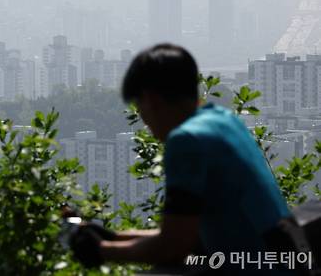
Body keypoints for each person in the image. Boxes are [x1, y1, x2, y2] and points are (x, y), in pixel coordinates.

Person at [69, 44, 305, 275]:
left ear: (150, 100)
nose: (144, 120)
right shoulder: (224, 121)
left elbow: (174, 246)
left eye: (138, 106)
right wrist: (115, 238)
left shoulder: (186, 141)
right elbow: (189, 237)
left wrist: (101, 250)